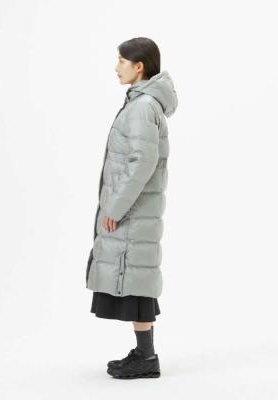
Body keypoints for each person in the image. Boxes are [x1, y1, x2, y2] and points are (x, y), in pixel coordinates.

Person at [85, 37, 178, 379]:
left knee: (136, 285)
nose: (116, 67)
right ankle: (144, 355)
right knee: (137, 283)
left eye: (122, 61)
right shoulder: (142, 102)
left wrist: (115, 208)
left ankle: (146, 358)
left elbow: (142, 163)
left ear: (139, 67)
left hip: (133, 212)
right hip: (136, 211)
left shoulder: (142, 107)